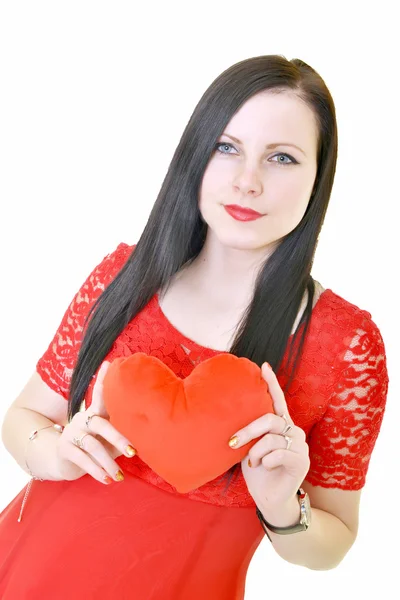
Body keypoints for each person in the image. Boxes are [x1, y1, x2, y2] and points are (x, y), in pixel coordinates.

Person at [0, 54, 389, 599]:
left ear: (319, 177)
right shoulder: (124, 275)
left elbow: (334, 541)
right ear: (195, 155)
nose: (246, 181)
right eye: (226, 147)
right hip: (26, 572)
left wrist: (281, 505)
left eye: (282, 157)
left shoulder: (346, 346)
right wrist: (56, 454)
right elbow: (24, 417)